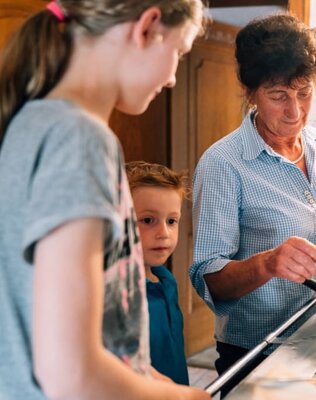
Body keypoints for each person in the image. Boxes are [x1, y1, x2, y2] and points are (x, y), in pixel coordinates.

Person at [0, 0, 210, 399]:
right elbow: (70, 375)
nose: (171, 78)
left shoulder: (29, 123)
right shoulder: (80, 140)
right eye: (179, 53)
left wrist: (145, 377)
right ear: (147, 27)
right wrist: (183, 396)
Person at [189, 13, 316, 397]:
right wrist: (267, 263)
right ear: (249, 90)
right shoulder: (223, 164)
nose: (295, 112)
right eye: (278, 95)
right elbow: (209, 277)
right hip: (256, 348)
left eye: (304, 93)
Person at [126, 161, 190, 385]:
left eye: (172, 221)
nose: (164, 233)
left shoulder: (167, 281)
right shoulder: (119, 294)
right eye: (147, 220)